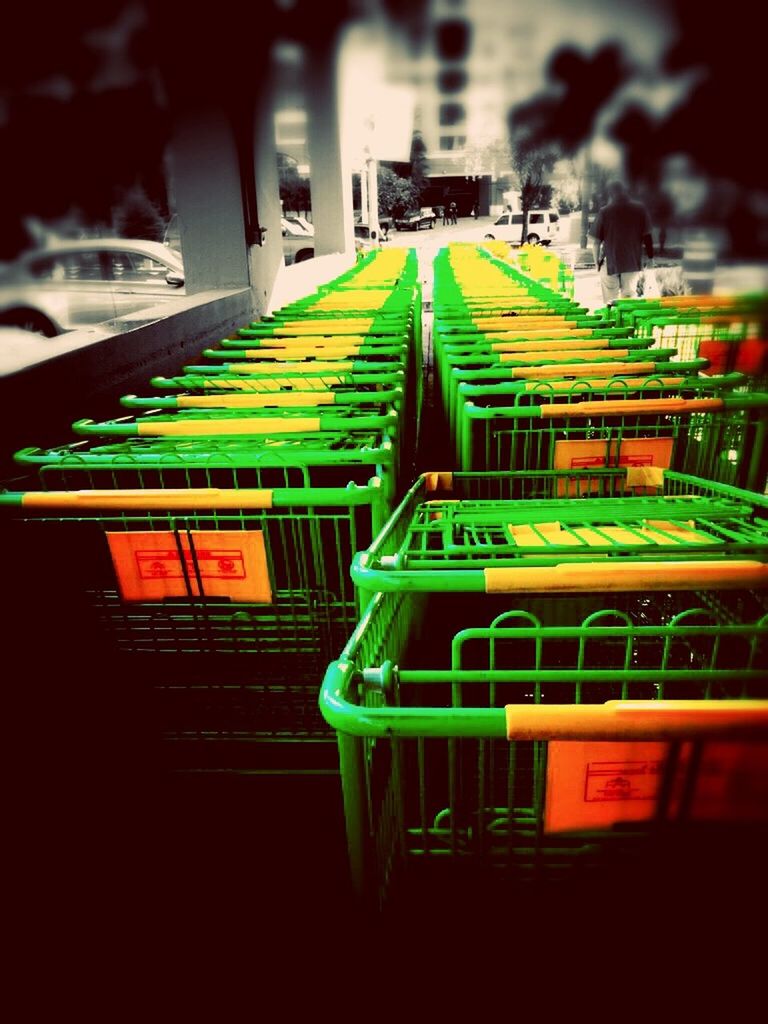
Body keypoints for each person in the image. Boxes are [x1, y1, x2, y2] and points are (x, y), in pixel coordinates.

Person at [591, 181, 654, 306]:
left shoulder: (605, 211)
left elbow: (596, 242)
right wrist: (650, 258)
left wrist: (596, 262)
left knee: (610, 298)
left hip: (610, 262)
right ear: (625, 192)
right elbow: (647, 236)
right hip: (632, 261)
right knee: (629, 296)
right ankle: (628, 322)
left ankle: (613, 321)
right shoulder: (639, 209)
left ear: (611, 194)